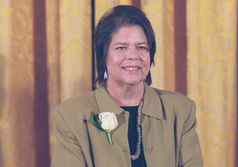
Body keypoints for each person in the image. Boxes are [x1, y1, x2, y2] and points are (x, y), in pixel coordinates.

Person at [51, 5, 203, 167]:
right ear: (103, 55)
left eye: (142, 47)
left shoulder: (180, 110)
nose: (133, 56)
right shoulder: (71, 116)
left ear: (150, 55)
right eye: (121, 47)